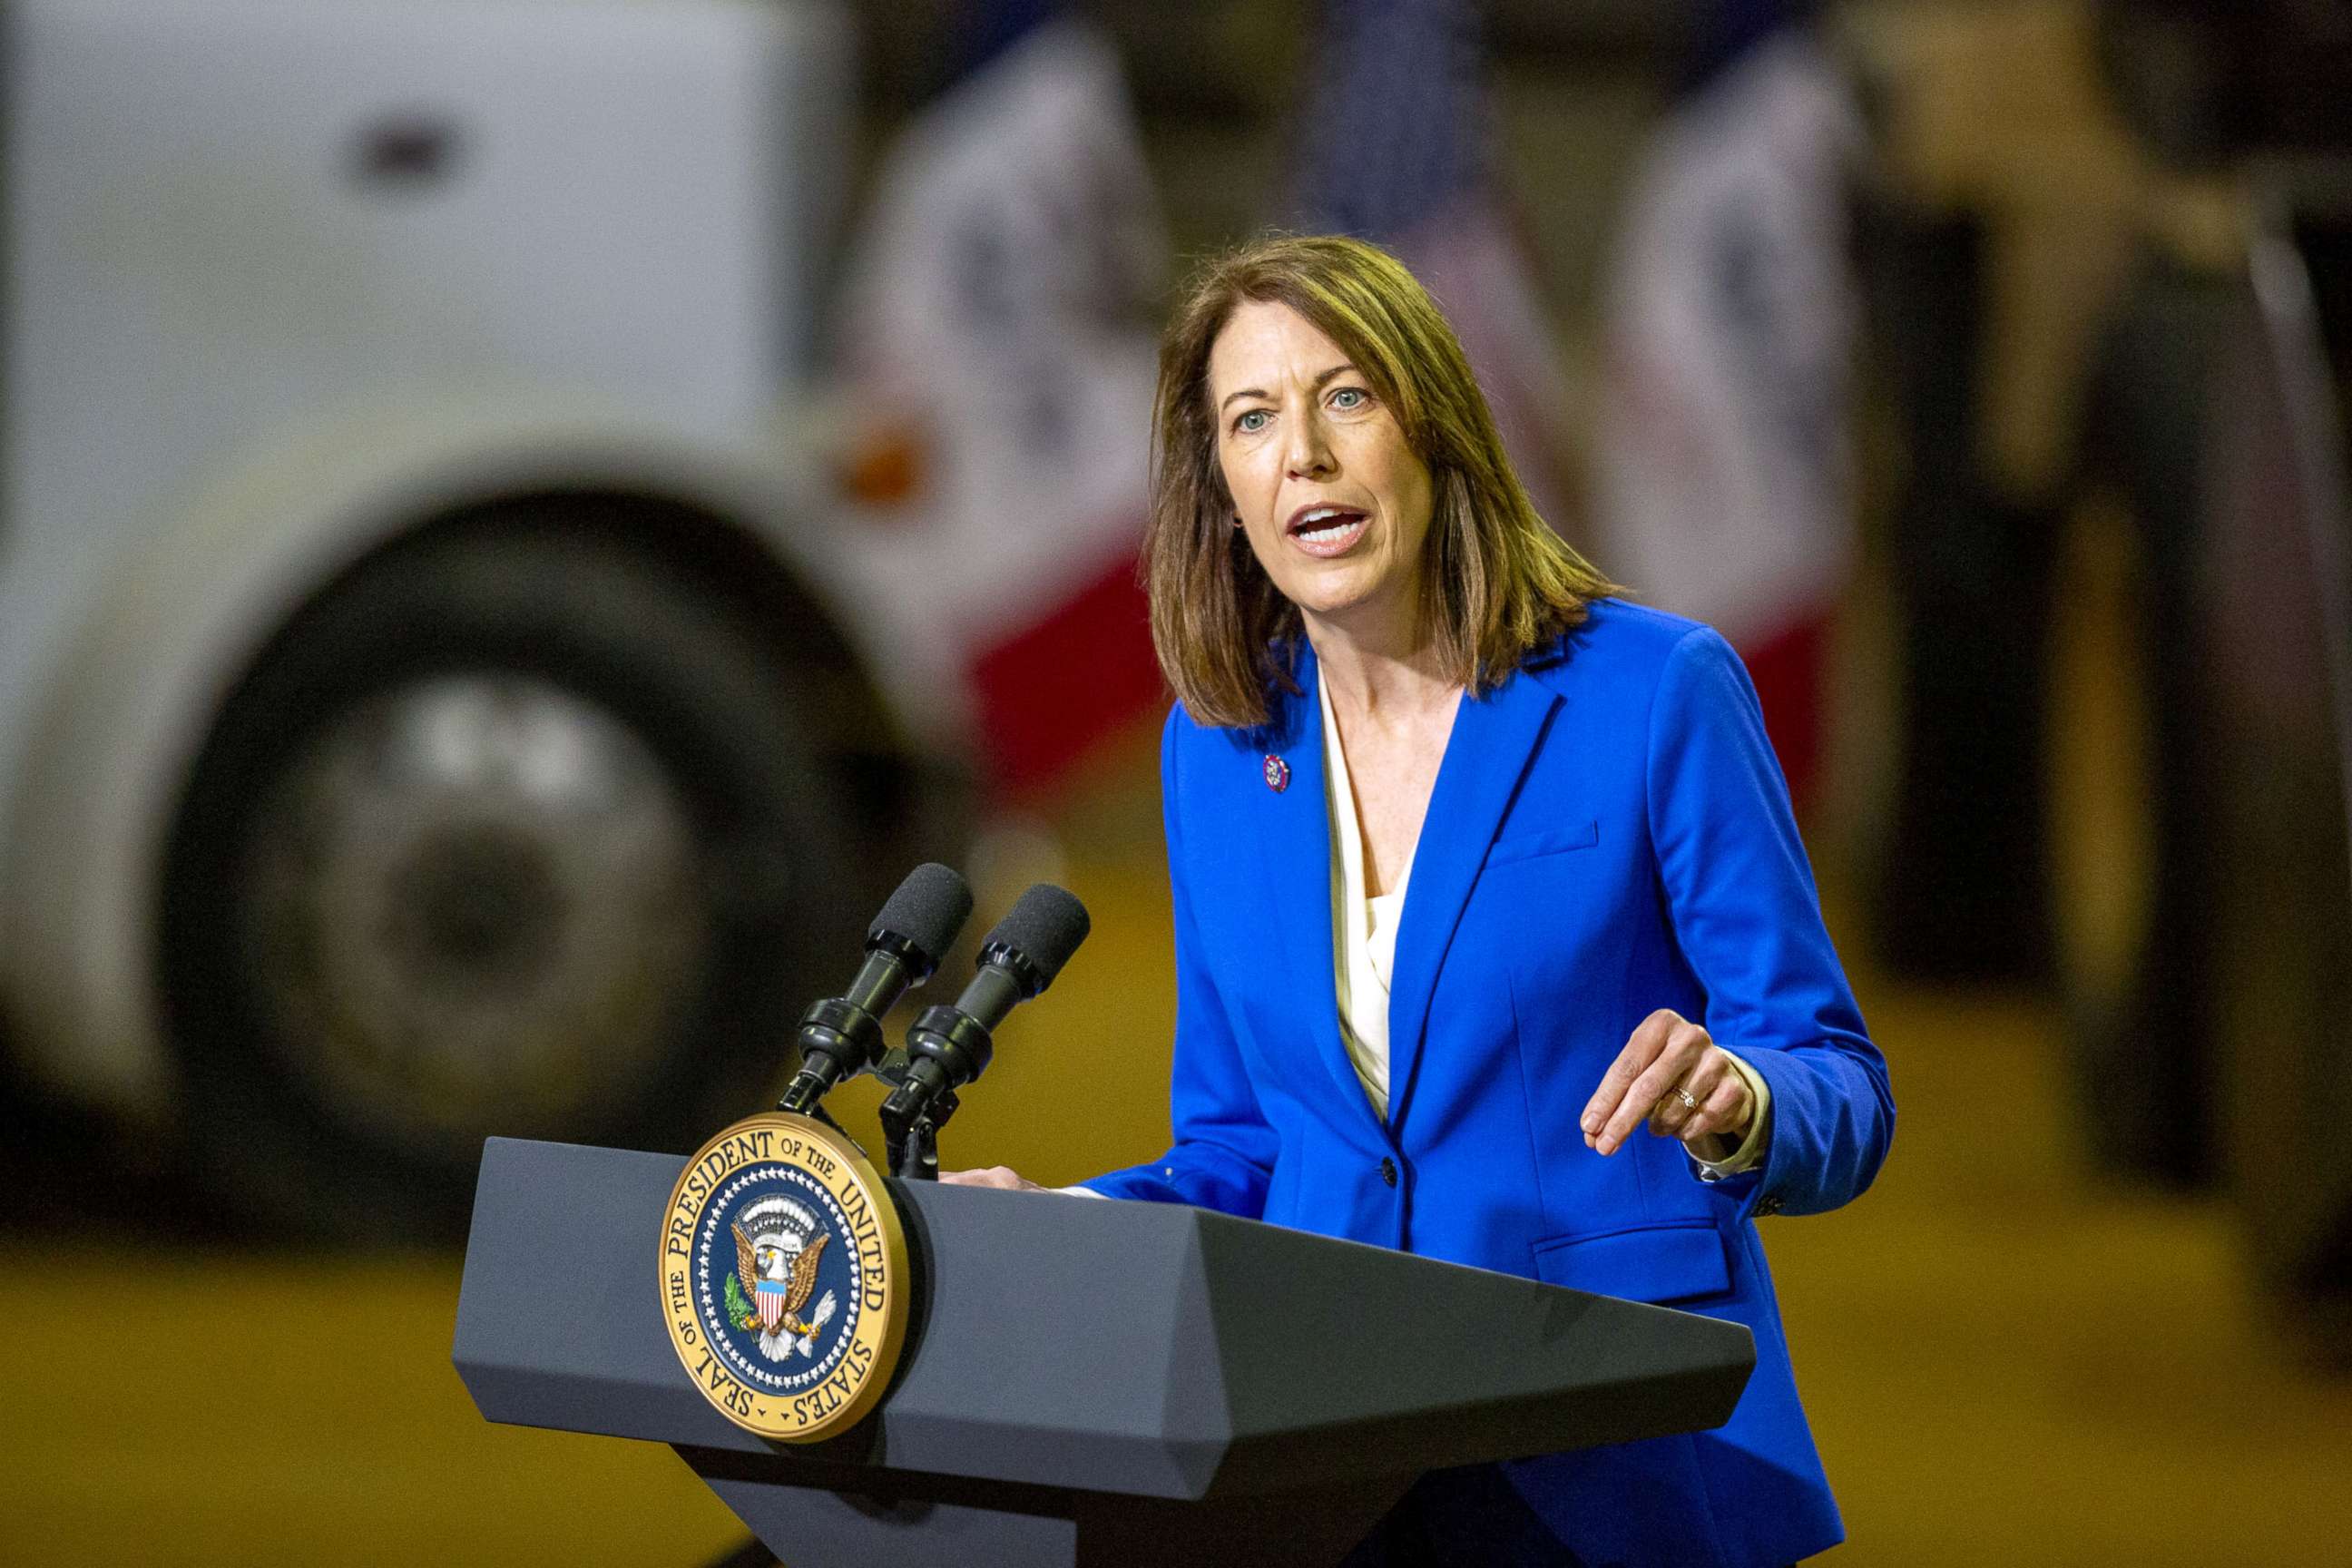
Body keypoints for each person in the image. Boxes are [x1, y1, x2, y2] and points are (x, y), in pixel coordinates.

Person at [945, 234, 1893, 1568]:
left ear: (1435, 429)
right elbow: (1243, 1152)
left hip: (1612, 1457)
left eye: (1346, 399)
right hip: (1332, 1467)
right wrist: (1077, 1229)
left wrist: (1742, 1102)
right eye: (1253, 419)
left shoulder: (1653, 691)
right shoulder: (1217, 753)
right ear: (1221, 484)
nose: (1306, 457)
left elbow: (1839, 1079)